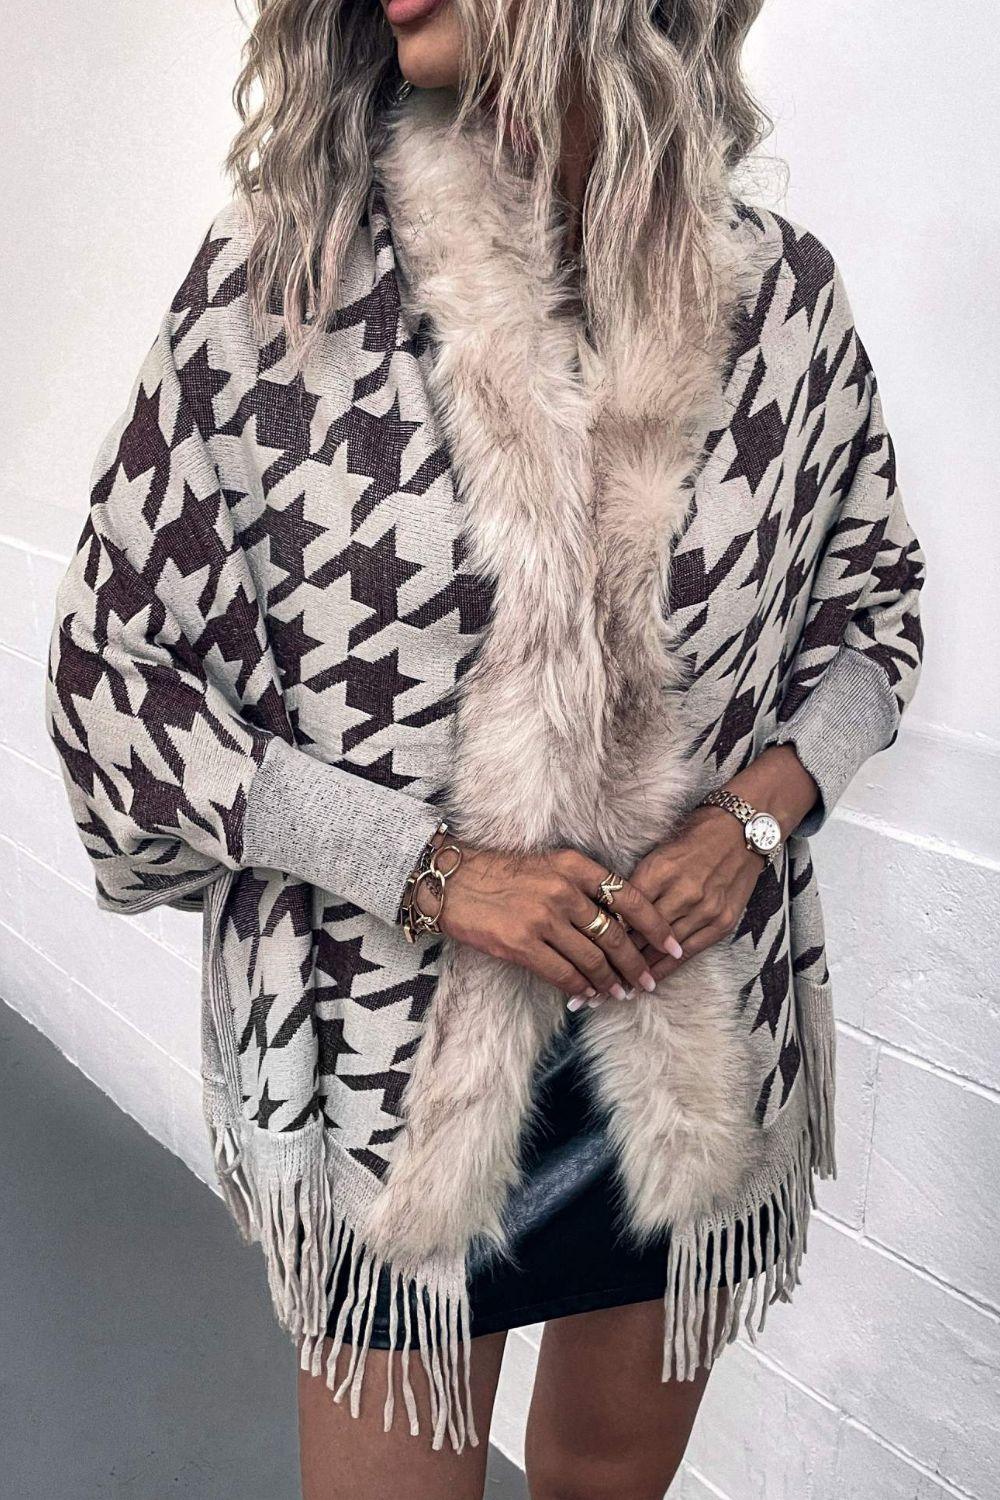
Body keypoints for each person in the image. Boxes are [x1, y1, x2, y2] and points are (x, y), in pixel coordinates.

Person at [44, 3, 927, 1497]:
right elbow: (113, 677)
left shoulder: (782, 305)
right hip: (391, 1071)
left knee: (603, 1481)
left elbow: (875, 611)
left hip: (692, 1039)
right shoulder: (285, 287)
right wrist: (432, 871)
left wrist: (760, 818)